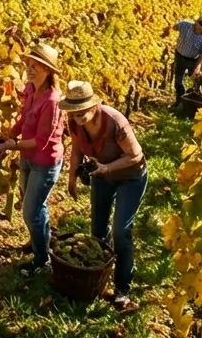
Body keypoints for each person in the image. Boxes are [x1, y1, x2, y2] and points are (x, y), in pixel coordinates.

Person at [63, 81, 147, 313]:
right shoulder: (75, 122)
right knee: (98, 231)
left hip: (130, 177)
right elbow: (77, 149)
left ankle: (122, 290)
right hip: (102, 174)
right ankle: (98, 279)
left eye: (82, 108)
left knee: (121, 230)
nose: (78, 113)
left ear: (94, 106)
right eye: (73, 108)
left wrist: (107, 169)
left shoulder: (115, 123)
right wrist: (71, 179)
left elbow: (136, 156)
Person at [0, 44, 64, 274]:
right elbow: (23, 121)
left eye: (36, 65)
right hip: (27, 156)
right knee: (32, 205)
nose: (30, 69)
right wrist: (8, 138)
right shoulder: (31, 89)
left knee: (31, 210)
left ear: (48, 70)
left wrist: (12, 145)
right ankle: (39, 241)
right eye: (28, 64)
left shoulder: (52, 101)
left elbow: (41, 141)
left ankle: (42, 260)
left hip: (45, 161)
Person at [168, 15, 202, 105]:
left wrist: (198, 67)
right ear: (196, 22)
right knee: (178, 80)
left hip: (194, 60)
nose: (201, 27)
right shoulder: (185, 25)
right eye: (200, 23)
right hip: (180, 56)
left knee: (197, 79)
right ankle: (180, 101)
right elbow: (174, 27)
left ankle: (200, 100)